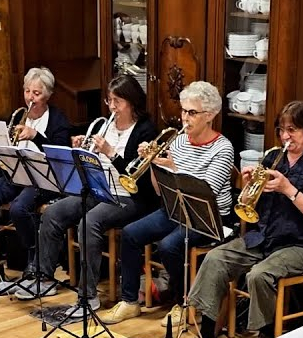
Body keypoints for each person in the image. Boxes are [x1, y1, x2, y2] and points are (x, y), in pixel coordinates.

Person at [176, 101, 303, 338]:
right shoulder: (273, 157)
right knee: (216, 258)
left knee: (259, 275)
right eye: (281, 130)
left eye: (293, 130)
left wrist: (288, 189)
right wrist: (248, 185)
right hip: (266, 235)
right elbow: (248, 204)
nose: (286, 137)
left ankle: (266, 335)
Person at [14, 75, 159, 309]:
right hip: (98, 189)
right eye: (109, 100)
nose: (112, 107)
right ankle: (44, 277)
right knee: (53, 213)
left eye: (118, 101)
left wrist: (111, 153)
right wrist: (82, 150)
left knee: (88, 223)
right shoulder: (105, 125)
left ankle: (88, 295)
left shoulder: (145, 131)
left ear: (132, 102)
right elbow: (89, 163)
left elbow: (136, 178)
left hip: (129, 196)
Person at [99, 81, 235, 325]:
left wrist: (174, 168)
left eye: (192, 113)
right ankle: (130, 302)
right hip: (174, 208)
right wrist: (152, 163)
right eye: (183, 111)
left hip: (207, 217)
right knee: (130, 233)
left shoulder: (223, 148)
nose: (185, 118)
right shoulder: (179, 141)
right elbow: (160, 191)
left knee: (169, 245)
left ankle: (186, 303)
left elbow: (206, 193)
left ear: (211, 115)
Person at [0, 67, 72, 297]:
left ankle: (35, 255)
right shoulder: (17, 115)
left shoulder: (59, 120)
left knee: (19, 208)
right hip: (16, 172)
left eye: (37, 93)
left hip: (43, 178)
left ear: (49, 95)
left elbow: (60, 154)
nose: (30, 98)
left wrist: (36, 136)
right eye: (27, 91)